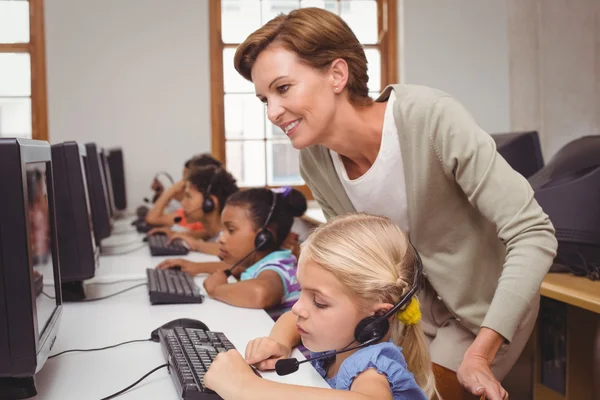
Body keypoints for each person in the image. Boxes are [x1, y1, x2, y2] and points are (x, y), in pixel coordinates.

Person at [233, 7, 558, 399]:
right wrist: (284, 337)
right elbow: (348, 270)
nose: (272, 112)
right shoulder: (315, 160)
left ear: (337, 74)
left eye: (283, 89)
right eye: (263, 98)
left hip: (482, 314)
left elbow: (534, 233)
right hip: (405, 317)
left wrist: (481, 353)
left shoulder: (431, 118)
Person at [204, 213, 435, 399]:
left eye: (319, 302)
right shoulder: (340, 340)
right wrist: (279, 343)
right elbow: (290, 321)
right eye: (302, 292)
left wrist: (247, 388)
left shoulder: (372, 368)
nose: (297, 308)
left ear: (376, 318)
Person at [160, 187, 307, 321]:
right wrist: (197, 268)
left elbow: (261, 293)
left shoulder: (277, 267)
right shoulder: (263, 261)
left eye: (230, 230)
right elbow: (236, 268)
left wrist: (216, 289)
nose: (221, 238)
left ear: (264, 237)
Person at [145, 153, 221, 229]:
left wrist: (172, 189)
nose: (183, 183)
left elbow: (153, 219)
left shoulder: (204, 217)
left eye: (187, 179)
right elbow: (152, 218)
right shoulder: (191, 211)